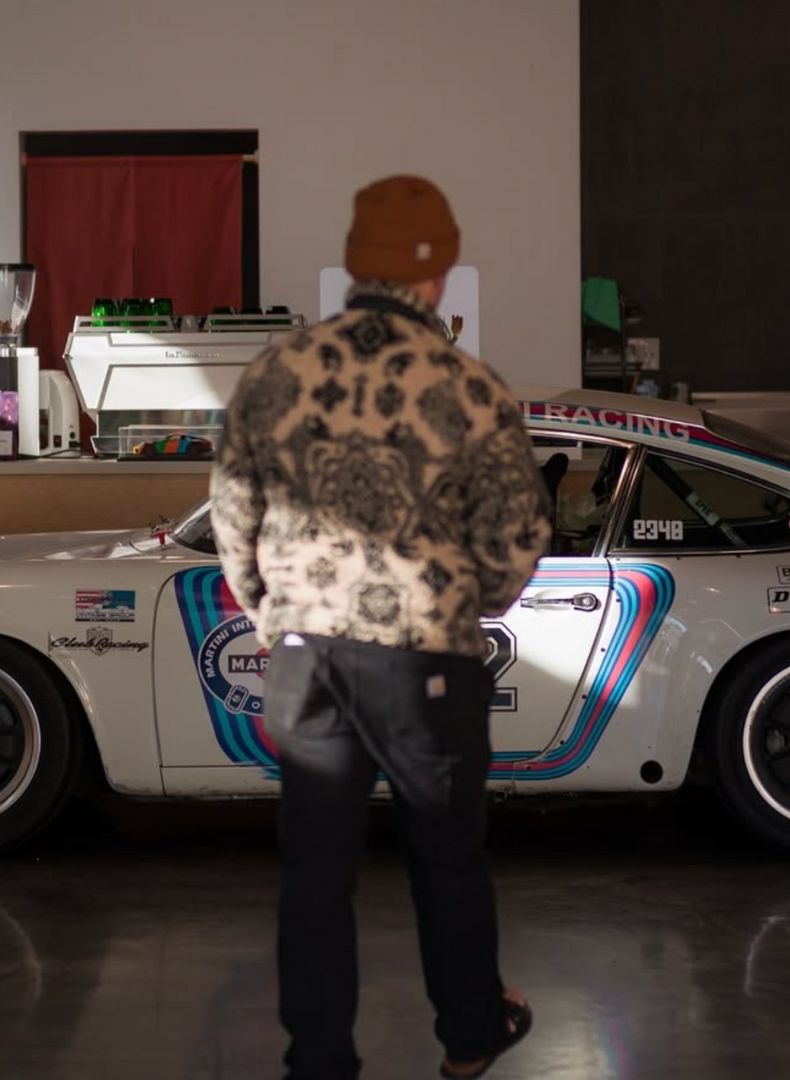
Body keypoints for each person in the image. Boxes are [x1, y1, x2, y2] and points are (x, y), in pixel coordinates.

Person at [209, 176, 551, 1080]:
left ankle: (319, 1061)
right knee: (446, 855)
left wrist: (273, 615)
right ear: (438, 275)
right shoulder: (468, 386)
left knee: (315, 871)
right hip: (426, 663)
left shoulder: (275, 372)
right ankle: (471, 1036)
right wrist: (469, 600)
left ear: (356, 265)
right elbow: (516, 534)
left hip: (306, 661)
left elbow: (232, 514)